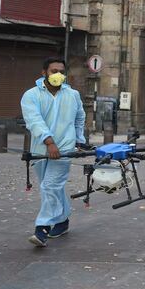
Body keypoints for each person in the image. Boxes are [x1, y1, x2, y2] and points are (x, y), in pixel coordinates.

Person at [21, 57, 86, 247]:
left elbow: (80, 117)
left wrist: (79, 139)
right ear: (44, 73)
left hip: (64, 150)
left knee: (50, 186)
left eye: (61, 71)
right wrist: (49, 142)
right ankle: (62, 220)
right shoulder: (31, 95)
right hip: (40, 150)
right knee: (51, 187)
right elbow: (34, 121)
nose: (58, 75)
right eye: (53, 71)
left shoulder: (72, 95)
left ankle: (41, 228)